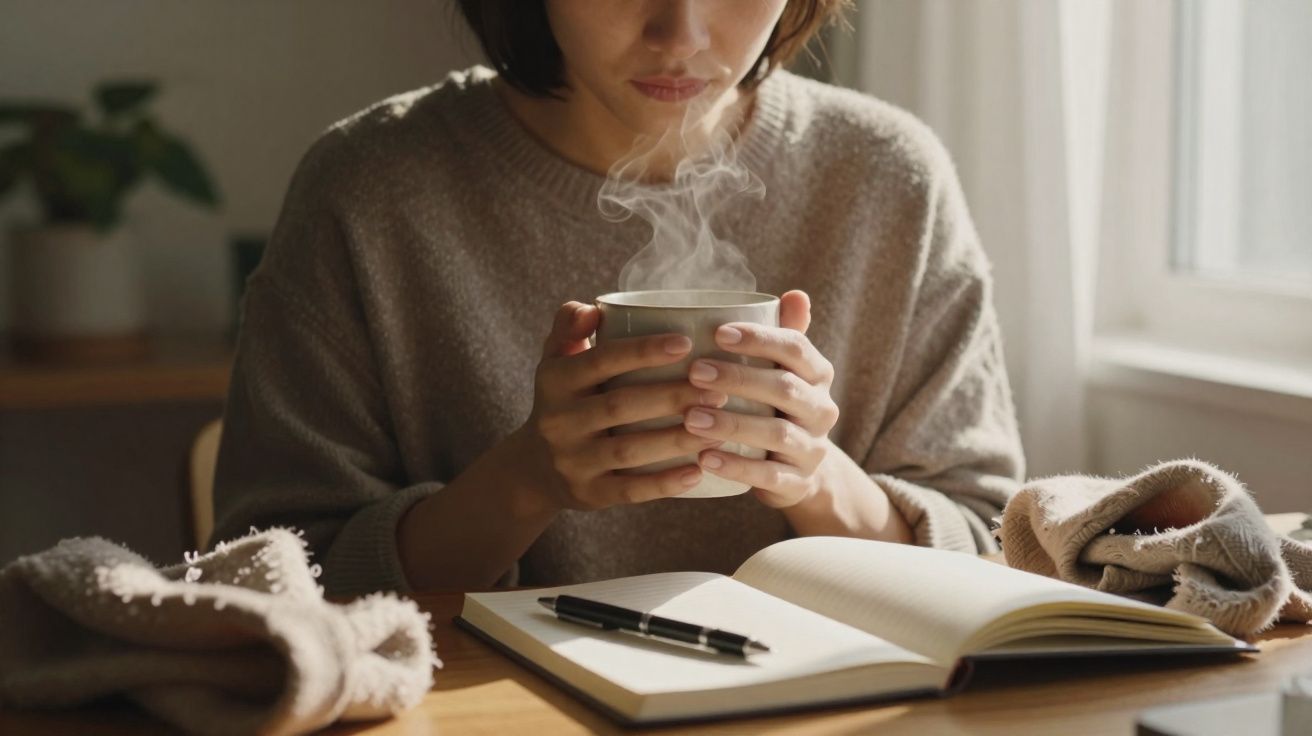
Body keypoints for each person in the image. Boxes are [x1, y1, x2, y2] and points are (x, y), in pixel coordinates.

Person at [211, 0, 1025, 597]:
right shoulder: (368, 192)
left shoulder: (888, 180)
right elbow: (271, 577)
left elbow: (988, 551)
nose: (682, 35)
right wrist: (526, 480)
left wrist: (812, 477)